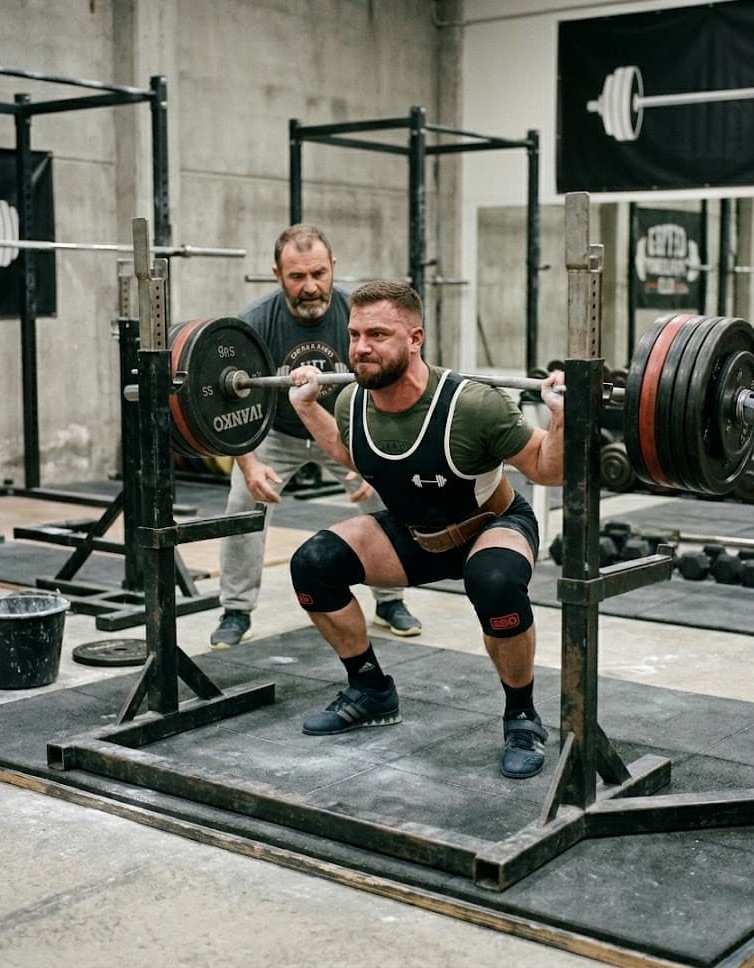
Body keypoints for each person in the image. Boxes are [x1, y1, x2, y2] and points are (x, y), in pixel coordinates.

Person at [286, 280, 565, 779]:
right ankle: (371, 690)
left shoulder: (474, 404)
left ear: (415, 338)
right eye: (354, 335)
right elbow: (353, 455)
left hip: (492, 527)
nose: (360, 348)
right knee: (312, 566)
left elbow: (546, 468)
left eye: (378, 334)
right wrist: (308, 407)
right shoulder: (352, 401)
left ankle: (521, 714)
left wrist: (563, 419)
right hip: (413, 534)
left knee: (495, 584)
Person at [210, 227, 422, 649]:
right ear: (277, 275)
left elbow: (390, 383)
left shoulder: (355, 315)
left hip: (342, 429)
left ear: (333, 269)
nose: (310, 287)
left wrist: (377, 460)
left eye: (318, 274)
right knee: (241, 503)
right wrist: (249, 465)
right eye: (296, 277)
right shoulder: (255, 322)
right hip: (277, 431)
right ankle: (236, 608)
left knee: (385, 495)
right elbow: (228, 402)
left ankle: (390, 601)